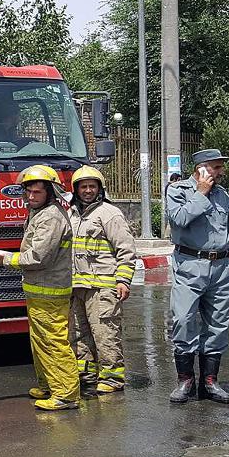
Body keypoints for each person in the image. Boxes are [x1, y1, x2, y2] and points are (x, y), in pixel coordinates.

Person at [0, 165, 79, 412]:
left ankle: (66, 394)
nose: (31, 197)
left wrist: (6, 259)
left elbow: (38, 257)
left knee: (54, 342)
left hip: (50, 291)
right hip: (38, 291)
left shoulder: (51, 216)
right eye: (27, 192)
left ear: (50, 192)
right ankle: (50, 385)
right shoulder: (38, 213)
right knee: (39, 341)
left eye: (36, 192)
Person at [164, 149, 229, 404]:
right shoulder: (177, 191)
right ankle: (185, 380)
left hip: (221, 267)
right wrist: (201, 193)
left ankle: (210, 381)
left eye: (221, 167)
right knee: (184, 320)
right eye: (216, 167)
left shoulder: (223, 195)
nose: (221, 172)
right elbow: (179, 218)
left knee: (218, 324)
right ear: (201, 168)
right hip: (190, 265)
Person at [68, 166, 136, 395]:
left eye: (92, 186)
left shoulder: (110, 214)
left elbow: (126, 250)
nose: (88, 191)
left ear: (99, 189)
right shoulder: (71, 215)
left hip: (103, 288)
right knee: (78, 334)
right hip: (76, 287)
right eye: (83, 186)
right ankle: (86, 375)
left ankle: (112, 377)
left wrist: (123, 280)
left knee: (105, 333)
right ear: (76, 190)